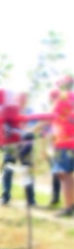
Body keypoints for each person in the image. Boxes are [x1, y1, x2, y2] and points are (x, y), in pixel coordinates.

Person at [50, 76, 74, 217]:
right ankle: (70, 204)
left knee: (64, 175)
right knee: (66, 175)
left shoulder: (62, 101)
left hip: (64, 144)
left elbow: (55, 121)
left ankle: (68, 208)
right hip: (67, 143)